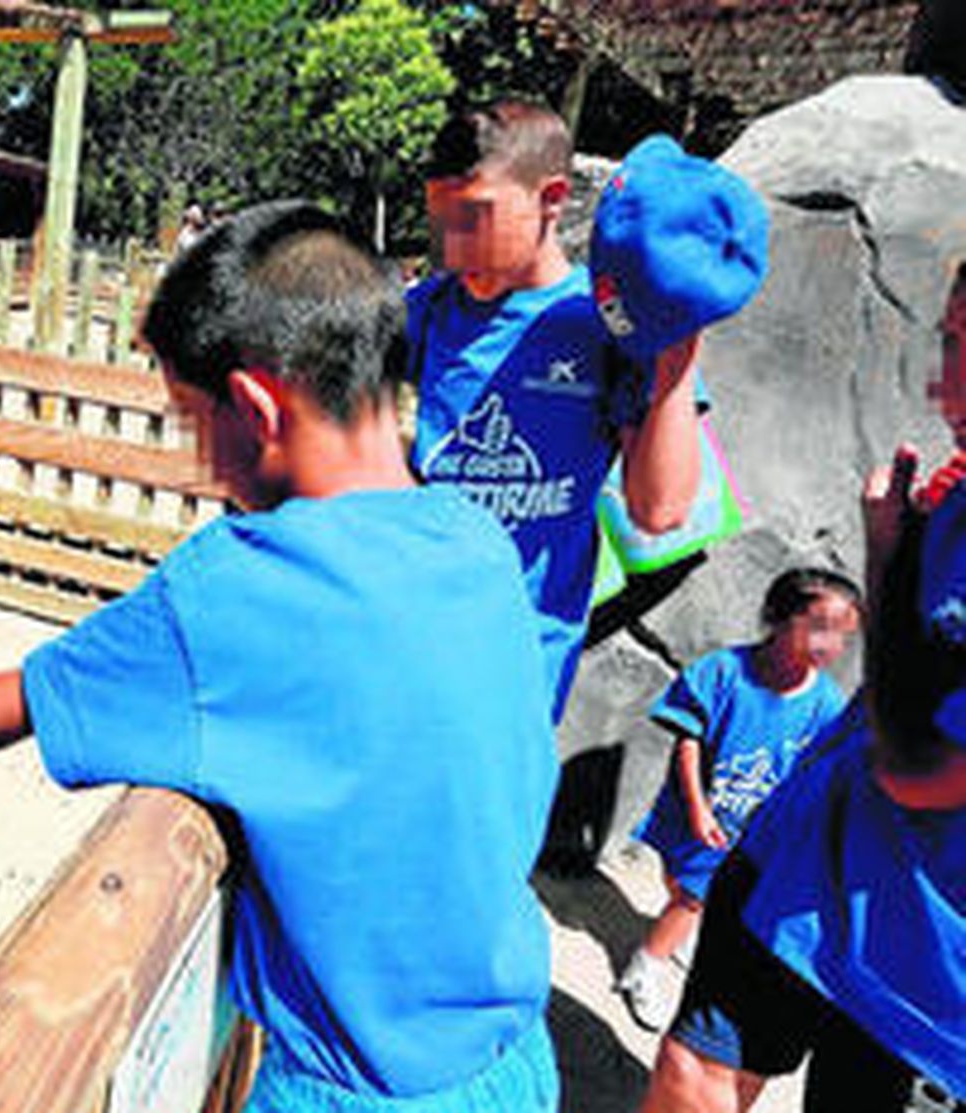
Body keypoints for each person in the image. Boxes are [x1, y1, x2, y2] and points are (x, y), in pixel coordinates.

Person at [0, 201, 563, 1112]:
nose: (203, 465)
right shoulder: (480, 541)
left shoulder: (235, 584)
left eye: (195, 425)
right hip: (515, 1063)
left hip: (353, 1087)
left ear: (258, 408)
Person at [639, 266, 966, 1112]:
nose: (940, 379)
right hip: (799, 854)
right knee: (693, 1068)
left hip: (917, 952)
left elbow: (923, 771)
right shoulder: (955, 490)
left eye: (962, 349)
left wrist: (888, 555)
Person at [409, 103, 769, 720]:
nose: (449, 237)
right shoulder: (425, 312)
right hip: (407, 639)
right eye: (439, 212)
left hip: (521, 665)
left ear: (551, 197)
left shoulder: (614, 323)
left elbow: (661, 509)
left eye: (473, 213)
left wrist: (674, 347)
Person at [616, 568, 863, 1031]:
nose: (831, 645)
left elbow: (812, 776)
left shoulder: (825, 703)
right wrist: (696, 806)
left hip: (743, 833)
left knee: (692, 895)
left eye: (843, 636)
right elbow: (687, 738)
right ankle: (681, 930)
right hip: (692, 813)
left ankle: (645, 966)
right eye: (820, 627)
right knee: (679, 884)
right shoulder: (724, 671)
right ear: (778, 618)